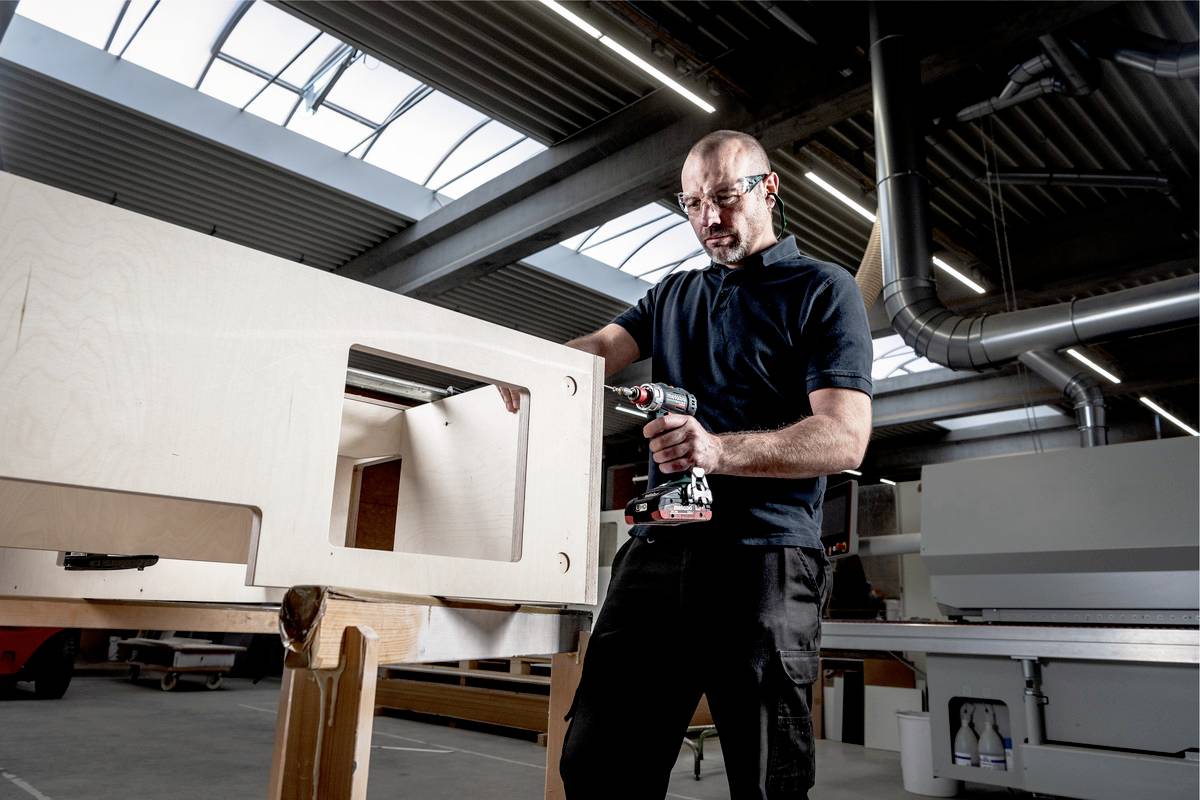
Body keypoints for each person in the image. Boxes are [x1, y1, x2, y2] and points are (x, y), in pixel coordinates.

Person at [500, 130, 873, 799]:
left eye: (726, 197)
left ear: (769, 188)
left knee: (767, 781)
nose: (709, 218)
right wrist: (528, 368)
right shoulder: (673, 294)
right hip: (658, 551)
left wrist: (718, 450)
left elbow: (844, 439)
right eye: (694, 203)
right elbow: (600, 347)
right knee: (596, 763)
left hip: (765, 558)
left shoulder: (824, 289)